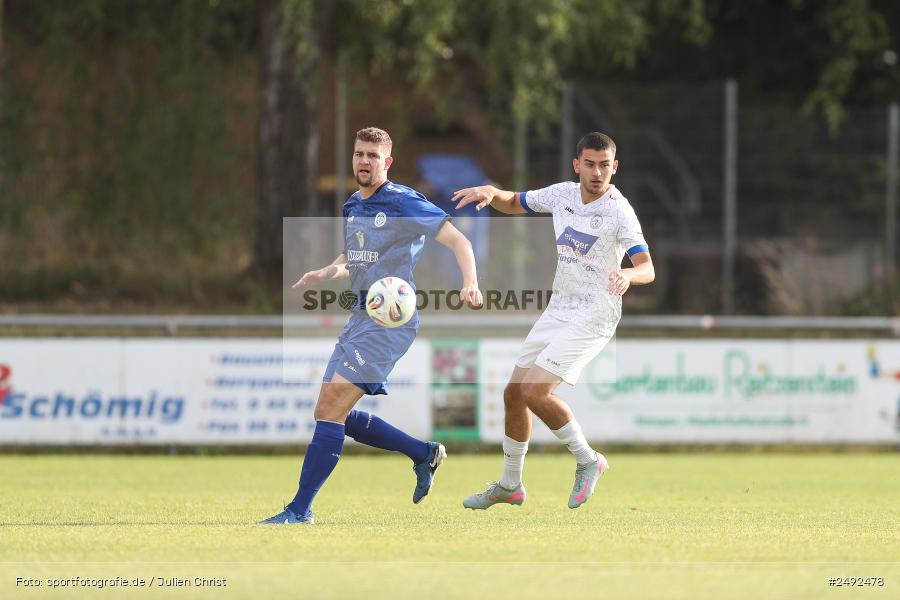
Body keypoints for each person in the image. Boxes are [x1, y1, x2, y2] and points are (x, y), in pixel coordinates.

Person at [260, 127, 483, 524]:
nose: (364, 161)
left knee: (331, 410)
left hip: (390, 321)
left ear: (387, 162)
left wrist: (470, 283)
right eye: (359, 154)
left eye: (373, 156)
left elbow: (459, 241)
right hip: (360, 317)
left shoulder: (402, 201)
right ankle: (423, 453)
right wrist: (329, 270)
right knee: (330, 412)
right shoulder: (352, 205)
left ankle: (299, 510)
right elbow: (355, 254)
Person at [451, 132, 654, 510]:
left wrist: (628, 274)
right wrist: (492, 192)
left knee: (535, 392)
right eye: (589, 164)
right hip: (560, 307)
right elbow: (516, 202)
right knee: (514, 393)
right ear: (577, 165)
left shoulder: (619, 211)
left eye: (604, 165)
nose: (597, 173)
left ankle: (588, 460)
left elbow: (647, 267)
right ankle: (510, 484)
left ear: (615, 167)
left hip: (596, 312)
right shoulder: (562, 194)